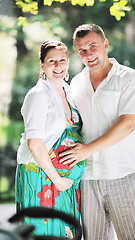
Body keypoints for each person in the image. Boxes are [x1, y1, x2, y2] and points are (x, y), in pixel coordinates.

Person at [59, 24, 135, 240]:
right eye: (81, 50)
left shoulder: (128, 78)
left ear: (105, 44)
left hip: (123, 175)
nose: (88, 54)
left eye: (93, 46)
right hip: (88, 178)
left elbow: (128, 124)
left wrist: (86, 150)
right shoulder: (76, 84)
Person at [15, 40, 85, 238]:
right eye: (51, 61)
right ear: (42, 65)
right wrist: (58, 180)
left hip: (64, 182)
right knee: (44, 234)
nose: (58, 66)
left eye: (62, 60)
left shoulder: (68, 91)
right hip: (41, 176)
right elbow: (35, 144)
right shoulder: (38, 95)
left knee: (66, 233)